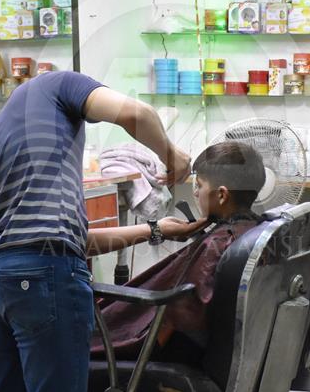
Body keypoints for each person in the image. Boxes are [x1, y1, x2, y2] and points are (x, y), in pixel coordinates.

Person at [0, 70, 204, 392]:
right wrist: (171, 154)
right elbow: (138, 114)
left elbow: (68, 241)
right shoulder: (59, 83)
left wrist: (156, 229)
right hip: (43, 276)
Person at [91, 141, 267, 366]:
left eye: (199, 185)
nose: (195, 192)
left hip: (160, 358)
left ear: (222, 195)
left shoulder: (218, 243)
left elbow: (175, 325)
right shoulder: (255, 232)